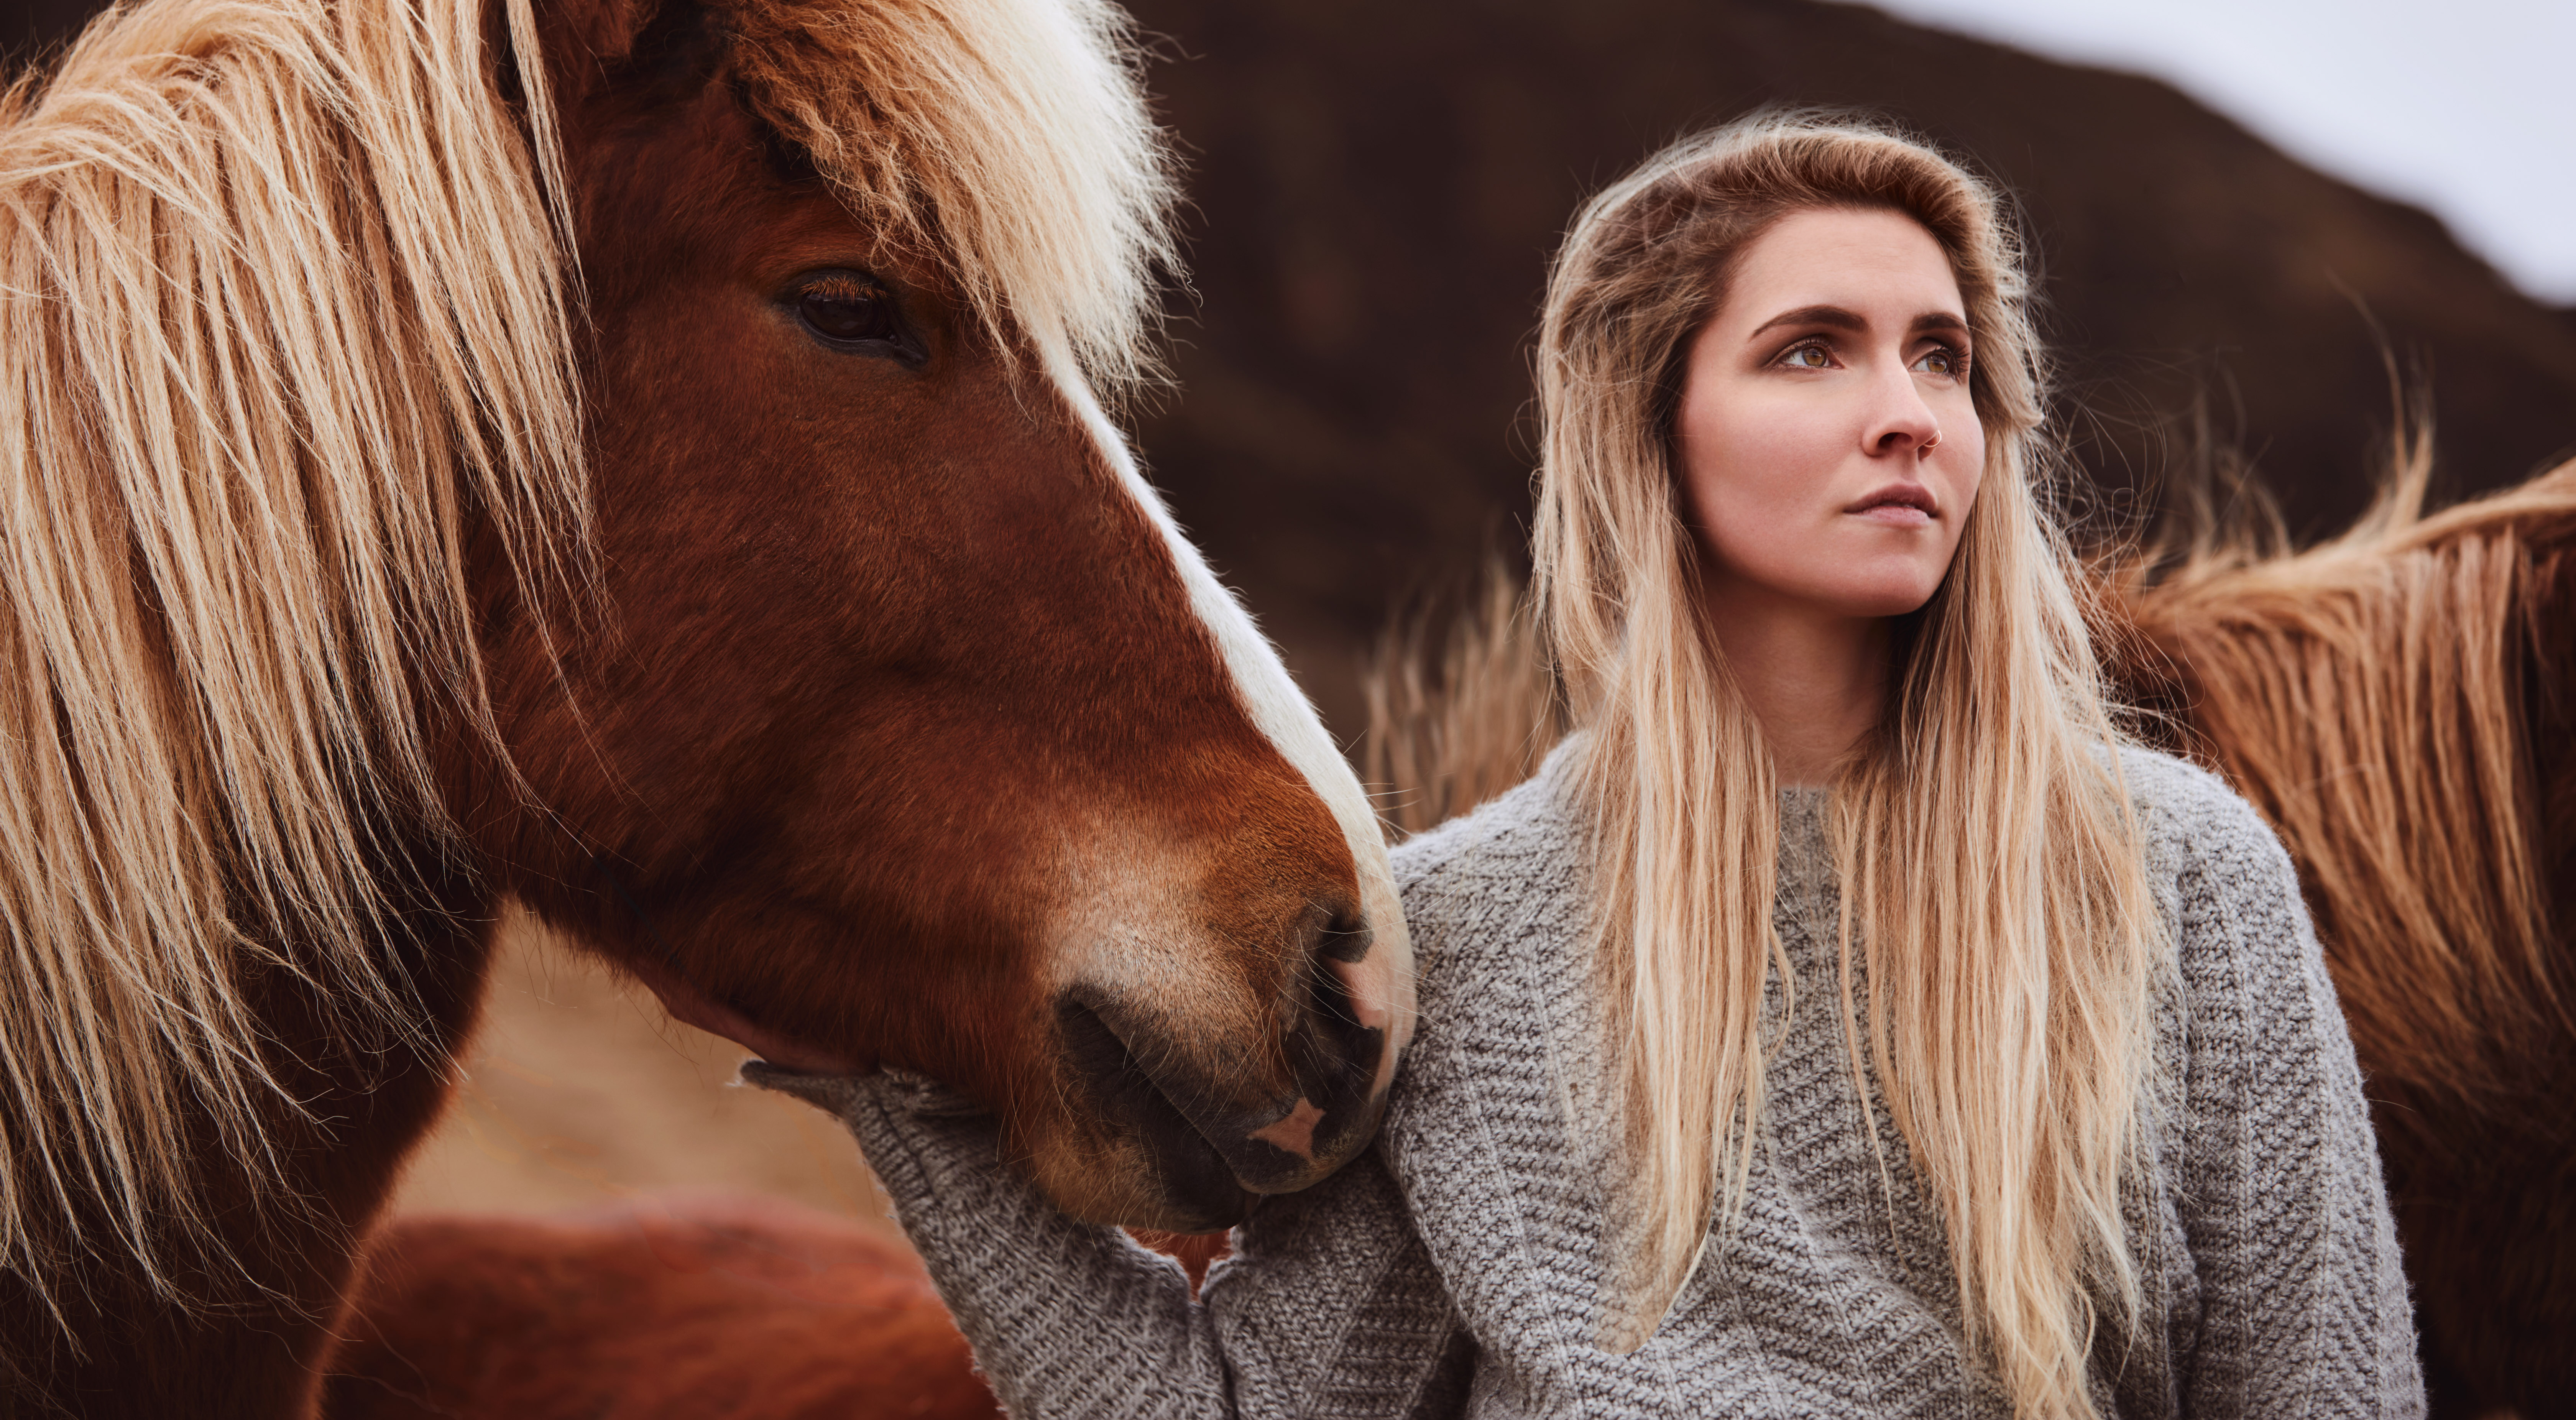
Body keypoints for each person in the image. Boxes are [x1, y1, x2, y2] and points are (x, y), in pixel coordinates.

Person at [757, 112, 2423, 1418]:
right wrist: (904, 1095)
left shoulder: (2178, 879)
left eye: (1945, 356)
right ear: (1649, 430)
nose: (1909, 409)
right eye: (1812, 348)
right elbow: (1240, 1407)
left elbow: (2332, 1398)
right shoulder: (1458, 940)